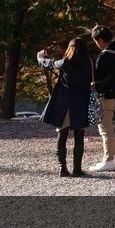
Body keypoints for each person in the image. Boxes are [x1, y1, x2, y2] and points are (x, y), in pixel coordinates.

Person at [37, 37, 94, 178]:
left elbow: (50, 64)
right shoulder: (90, 63)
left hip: (64, 104)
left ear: (70, 48)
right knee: (79, 137)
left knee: (62, 136)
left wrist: (40, 58)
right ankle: (77, 169)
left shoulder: (65, 63)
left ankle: (62, 168)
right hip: (81, 104)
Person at [89, 25, 115, 172]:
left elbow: (97, 78)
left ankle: (109, 159)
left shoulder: (104, 57)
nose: (96, 44)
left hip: (106, 96)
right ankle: (112, 158)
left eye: (96, 41)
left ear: (101, 40)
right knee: (107, 128)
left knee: (105, 129)